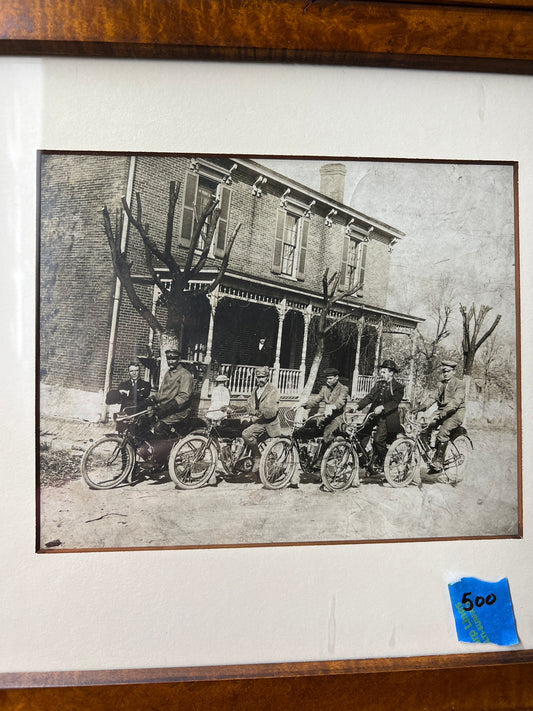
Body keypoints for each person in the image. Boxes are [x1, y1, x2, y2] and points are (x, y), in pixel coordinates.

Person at [355, 359, 404, 472]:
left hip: (387, 418)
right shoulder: (378, 384)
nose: (381, 374)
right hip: (373, 415)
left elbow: (395, 402)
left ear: (391, 373)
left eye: (384, 372)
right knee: (359, 435)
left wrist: (382, 407)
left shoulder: (398, 387)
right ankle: (366, 461)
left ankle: (386, 460)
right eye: (381, 372)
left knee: (378, 440)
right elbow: (369, 397)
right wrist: (358, 406)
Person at [417, 359, 466, 471]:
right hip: (442, 411)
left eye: (448, 371)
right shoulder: (441, 384)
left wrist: (440, 415)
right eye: (444, 371)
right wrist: (421, 407)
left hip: (456, 413)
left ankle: (438, 461)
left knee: (443, 432)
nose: (445, 373)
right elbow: (433, 397)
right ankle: (432, 451)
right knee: (424, 428)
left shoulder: (460, 384)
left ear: (453, 371)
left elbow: (455, 403)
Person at [242, 365, 281, 477]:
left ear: (267, 377)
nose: (260, 379)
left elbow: (272, 411)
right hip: (257, 422)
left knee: (246, 434)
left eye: (263, 377)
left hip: (268, 423)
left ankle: (257, 457)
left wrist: (258, 413)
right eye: (258, 377)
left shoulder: (272, 390)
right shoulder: (255, 390)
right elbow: (249, 405)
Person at [148, 348, 195, 438]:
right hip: (167, 409)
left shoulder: (185, 374)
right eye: (168, 359)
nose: (170, 362)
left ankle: (166, 450)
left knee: (159, 427)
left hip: (180, 412)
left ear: (179, 359)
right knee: (146, 420)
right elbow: (162, 393)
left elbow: (183, 397)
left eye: (173, 359)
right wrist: (149, 401)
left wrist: (166, 408)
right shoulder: (168, 373)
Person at [297, 367, 349, 446]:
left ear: (337, 377)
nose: (328, 381)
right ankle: (308, 451)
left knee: (327, 433)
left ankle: (324, 457)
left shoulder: (343, 389)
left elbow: (340, 402)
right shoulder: (324, 388)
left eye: (330, 378)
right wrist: (302, 404)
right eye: (327, 378)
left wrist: (332, 407)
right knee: (308, 426)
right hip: (326, 417)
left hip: (338, 419)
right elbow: (316, 399)